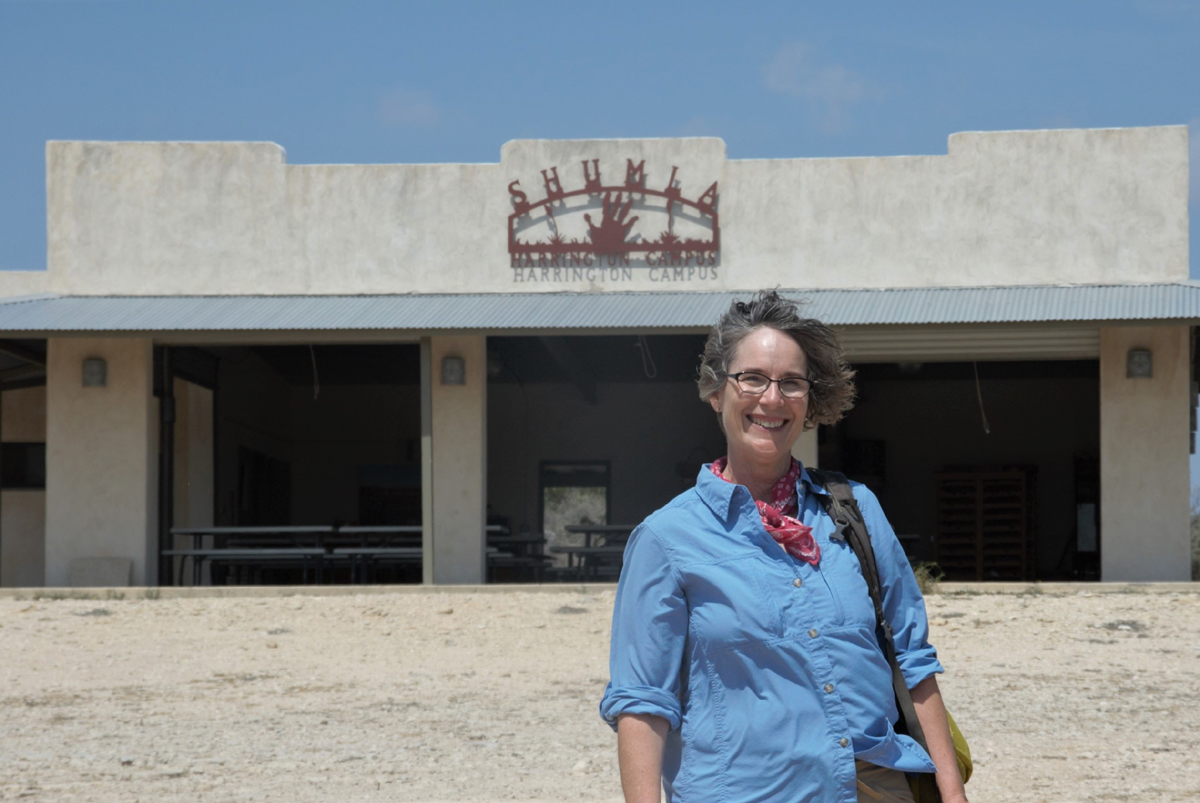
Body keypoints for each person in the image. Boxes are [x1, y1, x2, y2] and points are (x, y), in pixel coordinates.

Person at [599, 290, 969, 803]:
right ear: (715, 391)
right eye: (751, 378)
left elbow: (911, 657)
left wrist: (952, 792)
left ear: (809, 400)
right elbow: (643, 703)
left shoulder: (856, 509)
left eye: (791, 383)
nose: (771, 399)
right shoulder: (666, 540)